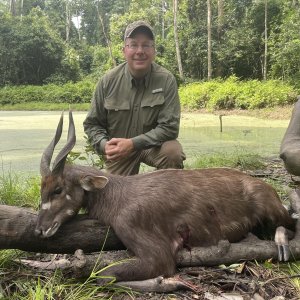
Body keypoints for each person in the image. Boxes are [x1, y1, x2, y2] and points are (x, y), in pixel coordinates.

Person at [83, 20, 186, 175]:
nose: (140, 51)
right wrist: (105, 145)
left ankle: (164, 197)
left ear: (154, 51)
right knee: (111, 195)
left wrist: (133, 144)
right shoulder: (107, 82)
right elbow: (92, 124)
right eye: (133, 45)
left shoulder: (166, 80)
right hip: (119, 151)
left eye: (146, 45)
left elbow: (169, 128)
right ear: (124, 50)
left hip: (152, 147)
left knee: (173, 152)